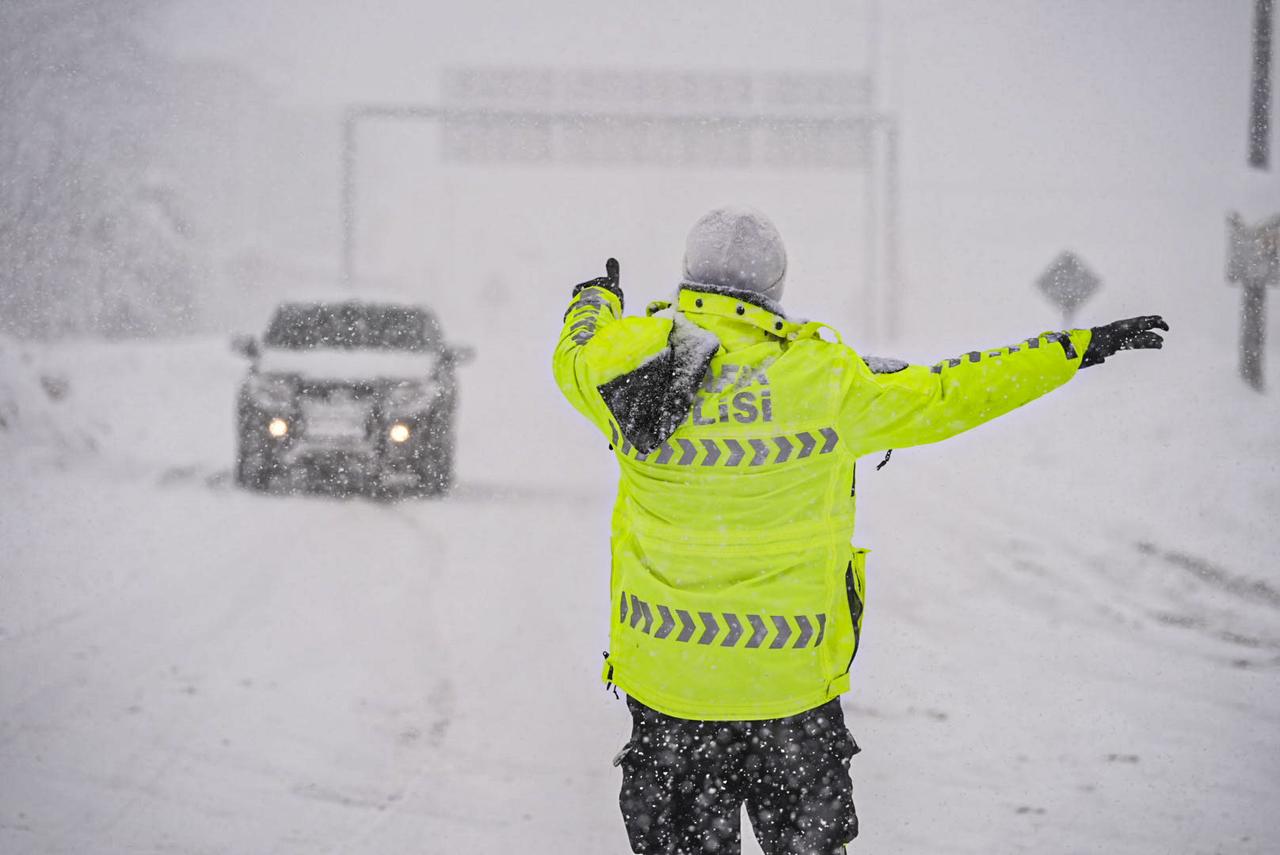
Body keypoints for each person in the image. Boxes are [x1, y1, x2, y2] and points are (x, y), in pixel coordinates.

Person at [551, 207, 1167, 855]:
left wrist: (594, 300)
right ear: (775, 288)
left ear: (687, 276)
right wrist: (1073, 348)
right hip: (787, 690)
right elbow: (953, 390)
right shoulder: (828, 380)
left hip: (670, 687)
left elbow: (574, 352)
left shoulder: (630, 372)